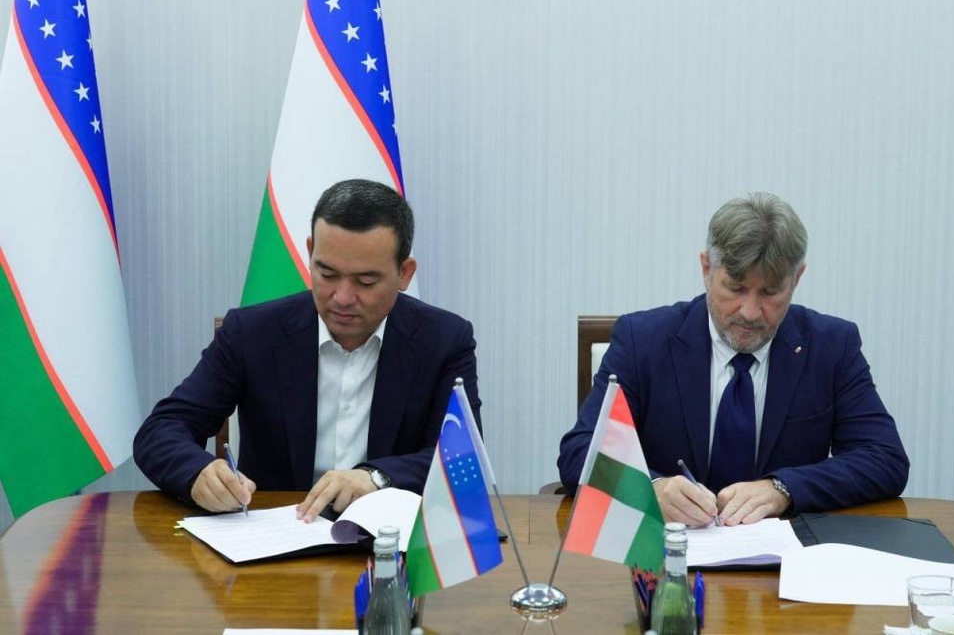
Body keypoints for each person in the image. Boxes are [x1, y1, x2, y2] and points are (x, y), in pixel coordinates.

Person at [134, 179, 480, 521]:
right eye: (327, 274)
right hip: (275, 536)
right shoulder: (252, 333)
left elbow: (459, 459)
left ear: (404, 273)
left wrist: (376, 478)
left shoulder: (445, 340)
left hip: (389, 538)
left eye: (365, 281)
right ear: (311, 252)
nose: (342, 297)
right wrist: (198, 473)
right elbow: (161, 430)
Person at [557, 192, 909, 527]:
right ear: (706, 269)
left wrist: (783, 488)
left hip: (784, 557)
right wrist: (650, 488)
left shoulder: (831, 346)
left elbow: (884, 458)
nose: (750, 312)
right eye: (736, 288)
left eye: (770, 292)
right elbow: (580, 453)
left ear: (797, 278)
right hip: (666, 552)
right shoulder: (642, 341)